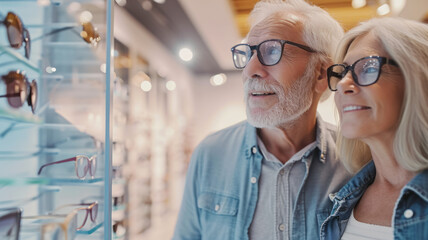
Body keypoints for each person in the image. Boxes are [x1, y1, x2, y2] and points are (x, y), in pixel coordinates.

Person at [173, 0, 352, 239]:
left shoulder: (355, 160)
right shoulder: (210, 154)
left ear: (320, 73)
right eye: (247, 54)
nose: (249, 70)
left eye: (272, 51)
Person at [320, 17, 428, 240]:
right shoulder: (341, 201)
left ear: (417, 77)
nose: (342, 84)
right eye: (342, 73)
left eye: (368, 67)